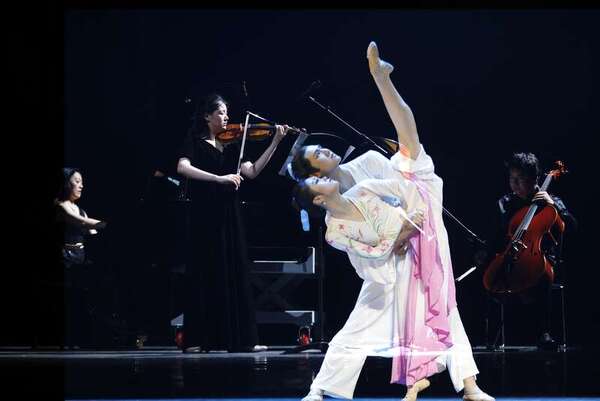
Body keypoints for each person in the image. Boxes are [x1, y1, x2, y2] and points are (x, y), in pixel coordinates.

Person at [294, 41, 493, 401]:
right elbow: (364, 255)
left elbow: (402, 189)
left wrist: (409, 223)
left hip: (419, 223)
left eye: (321, 147)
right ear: (315, 177)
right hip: (386, 264)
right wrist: (394, 240)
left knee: (445, 310)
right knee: (360, 323)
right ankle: (319, 388)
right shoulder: (334, 224)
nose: (326, 150)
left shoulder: (367, 170)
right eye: (318, 154)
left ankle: (470, 386)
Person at [176, 93, 289, 353]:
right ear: (207, 116)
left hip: (229, 213)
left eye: (227, 113)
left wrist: (275, 142)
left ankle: (241, 339)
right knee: (205, 271)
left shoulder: (232, 145)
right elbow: (183, 168)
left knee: (234, 269)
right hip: (204, 214)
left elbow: (252, 171)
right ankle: (198, 339)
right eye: (221, 112)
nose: (226, 117)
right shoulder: (195, 141)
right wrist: (219, 179)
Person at [476, 152, 577, 350]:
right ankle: (490, 335)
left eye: (520, 179)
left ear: (535, 179)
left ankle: (544, 333)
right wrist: (483, 253)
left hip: (541, 258)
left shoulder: (551, 201)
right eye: (511, 179)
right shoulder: (505, 203)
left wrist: (552, 205)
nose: (514, 185)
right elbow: (495, 238)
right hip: (512, 257)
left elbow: (572, 227)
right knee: (489, 272)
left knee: (543, 272)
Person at [55, 167, 107, 348]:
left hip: (81, 259)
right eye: (77, 181)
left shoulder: (81, 209)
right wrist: (108, 224)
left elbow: (93, 233)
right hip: (64, 259)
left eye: (82, 182)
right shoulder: (60, 206)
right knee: (77, 289)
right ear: (65, 183)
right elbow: (82, 222)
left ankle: (95, 335)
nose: (81, 185)